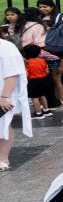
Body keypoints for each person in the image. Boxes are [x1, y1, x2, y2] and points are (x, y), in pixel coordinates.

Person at [0, 38, 31, 170]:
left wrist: (5, 96)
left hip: (4, 93)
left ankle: (3, 159)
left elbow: (13, 73)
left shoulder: (6, 47)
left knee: (4, 125)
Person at [36, 0, 63, 105]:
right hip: (42, 53)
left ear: (52, 7)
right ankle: (51, 101)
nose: (42, 9)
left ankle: (62, 100)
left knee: (56, 79)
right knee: (47, 80)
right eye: (40, 7)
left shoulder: (58, 18)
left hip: (54, 52)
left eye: (45, 7)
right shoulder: (38, 19)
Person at [21, 44, 52, 118]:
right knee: (42, 95)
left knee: (34, 97)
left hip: (33, 81)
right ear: (38, 53)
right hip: (44, 80)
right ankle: (46, 111)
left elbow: (27, 74)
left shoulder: (28, 63)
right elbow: (47, 71)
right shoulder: (43, 60)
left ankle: (38, 113)